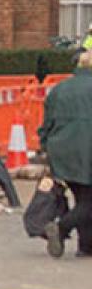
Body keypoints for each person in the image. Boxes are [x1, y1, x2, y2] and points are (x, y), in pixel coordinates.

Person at [41, 46, 92, 259]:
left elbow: (46, 125)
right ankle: (61, 228)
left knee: (83, 198)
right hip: (86, 150)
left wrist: (45, 148)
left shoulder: (59, 89)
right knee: (88, 201)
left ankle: (86, 247)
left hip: (62, 151)